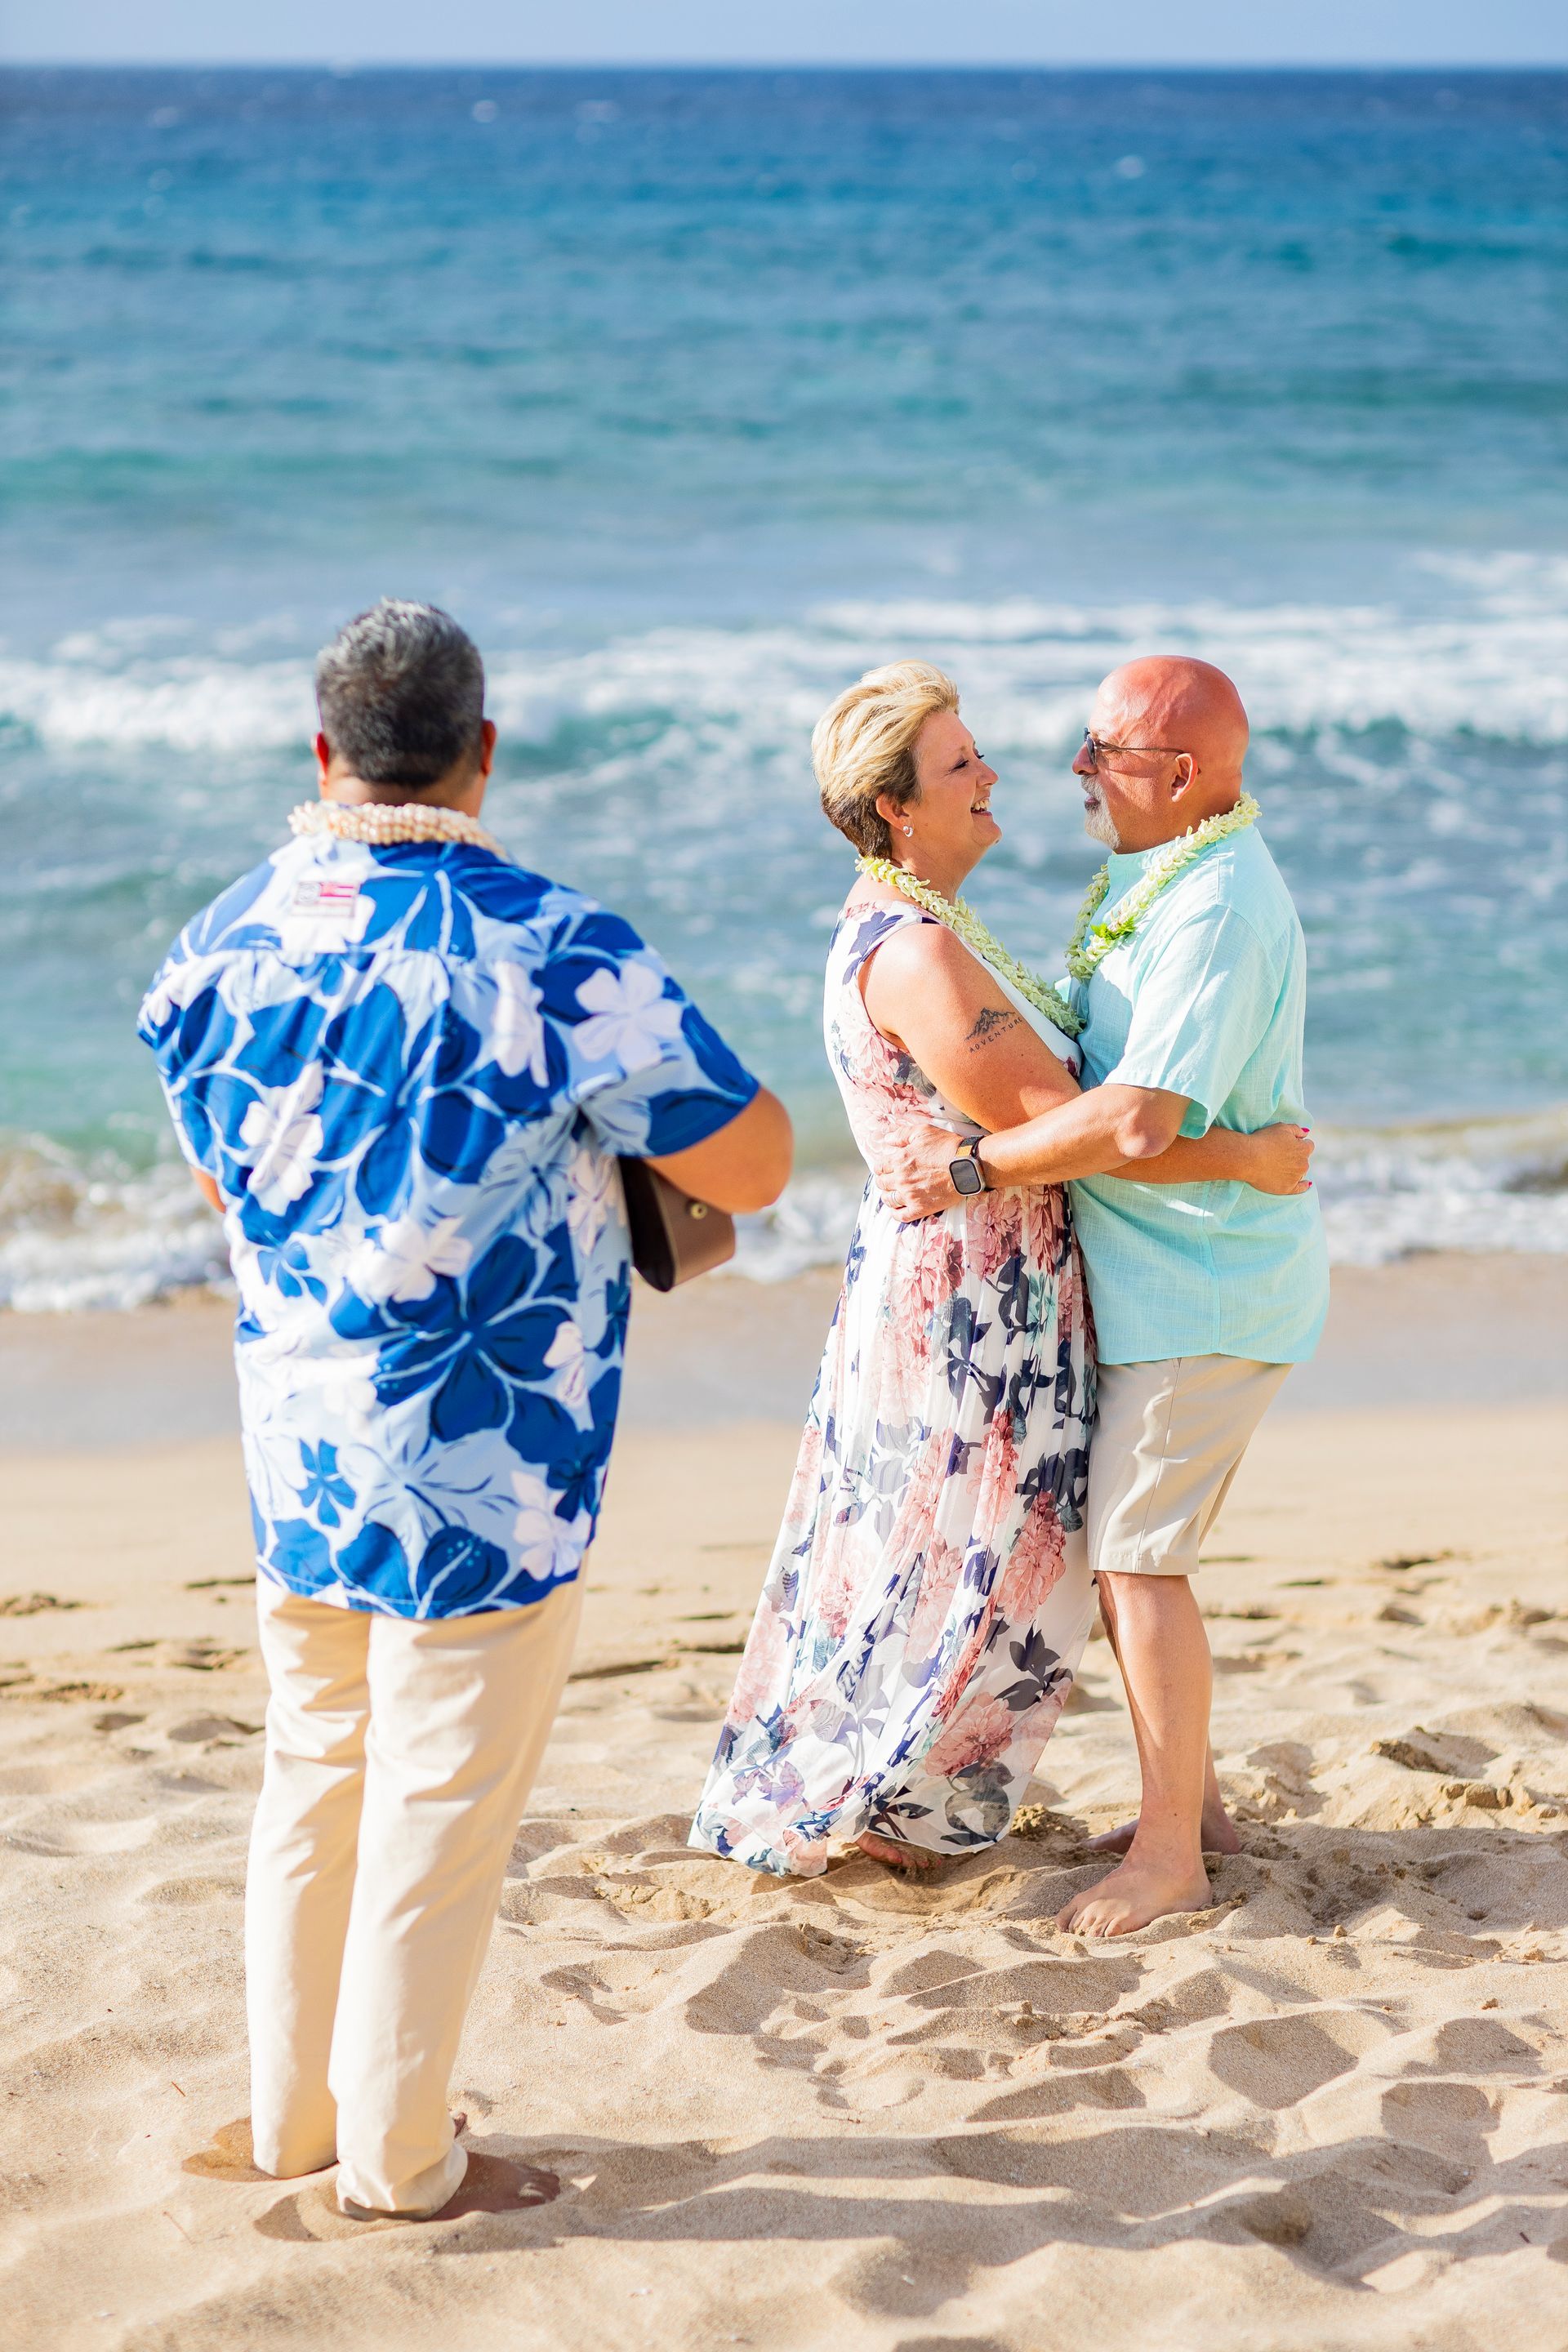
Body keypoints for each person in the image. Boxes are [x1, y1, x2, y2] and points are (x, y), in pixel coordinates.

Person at [138, 599, 792, 2221]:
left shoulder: (223, 935)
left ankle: (294, 2122)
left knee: (317, 1776)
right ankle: (400, 2161)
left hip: (300, 1437)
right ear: (484, 755)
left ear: (323, 754)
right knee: (439, 1800)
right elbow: (757, 1164)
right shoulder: (556, 944)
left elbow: (218, 1159)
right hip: (491, 1460)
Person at [690, 662, 1311, 1879]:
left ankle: (1168, 1820)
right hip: (977, 1298)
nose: (996, 775)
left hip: (986, 1283)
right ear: (895, 812)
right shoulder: (919, 954)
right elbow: (1090, 1127)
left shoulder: (930, 926)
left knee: (980, 1549)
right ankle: (890, 1808)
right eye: (960, 764)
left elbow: (1071, 1127)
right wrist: (1243, 1151)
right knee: (959, 1554)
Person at [871, 656, 1329, 1937]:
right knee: (1133, 1557)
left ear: (1178, 775)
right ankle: (1202, 1816)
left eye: (1103, 753)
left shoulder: (1218, 910)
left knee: (1137, 1563)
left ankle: (1173, 1858)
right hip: (1160, 1277)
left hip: (1208, 1289)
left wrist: (967, 1167)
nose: (1074, 769)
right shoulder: (1160, 868)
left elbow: (1131, 1119)